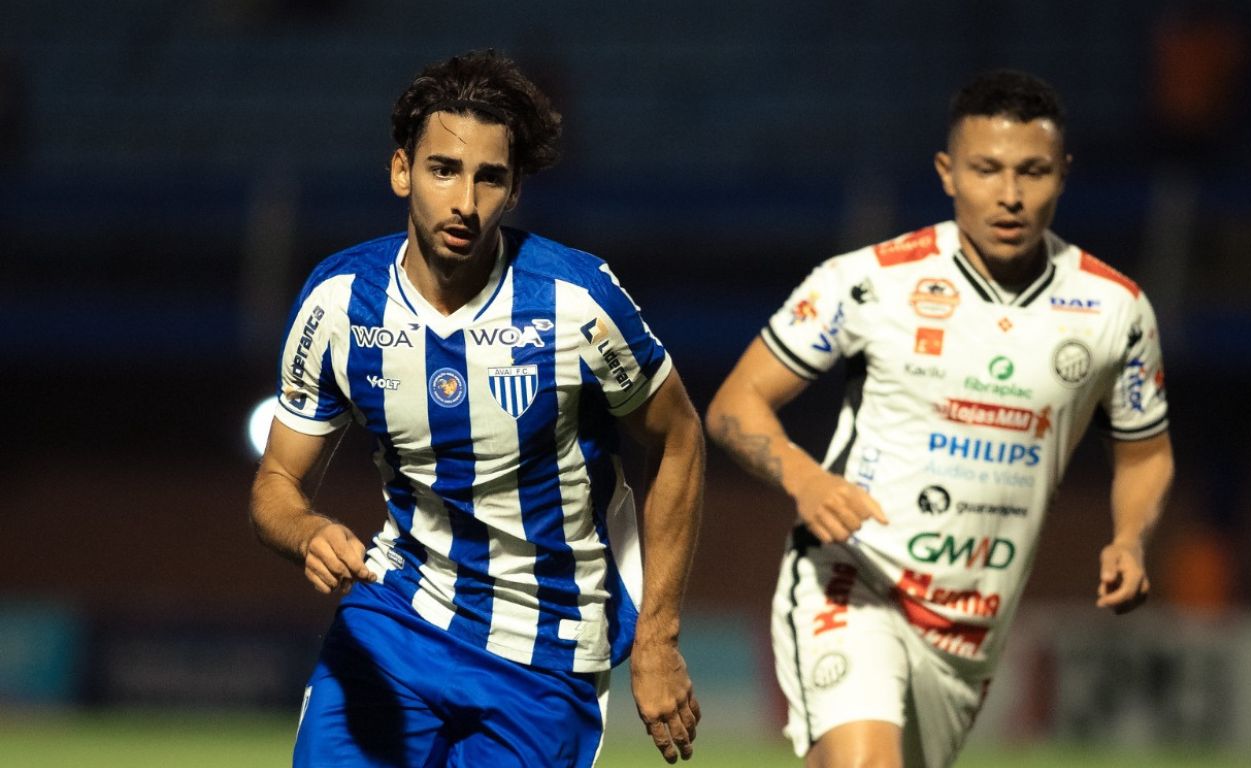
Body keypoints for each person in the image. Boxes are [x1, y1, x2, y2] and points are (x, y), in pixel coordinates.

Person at [704, 70, 1174, 767]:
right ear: (947, 172)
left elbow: (1144, 454)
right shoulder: (869, 281)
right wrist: (804, 479)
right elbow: (734, 405)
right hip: (853, 579)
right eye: (986, 170)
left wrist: (1131, 539)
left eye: (1032, 172)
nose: (1009, 195)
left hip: (971, 628)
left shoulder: (1115, 310)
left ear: (1063, 174)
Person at [250, 50, 703, 767]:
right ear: (401, 171)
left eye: (489, 177)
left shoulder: (575, 301)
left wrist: (658, 638)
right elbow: (275, 482)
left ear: (515, 190)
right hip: (397, 617)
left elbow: (679, 438)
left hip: (547, 650)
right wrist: (307, 531)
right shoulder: (339, 302)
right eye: (443, 170)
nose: (465, 200)